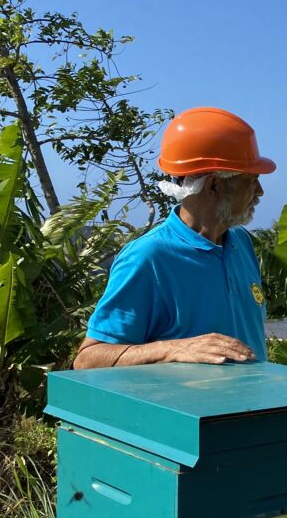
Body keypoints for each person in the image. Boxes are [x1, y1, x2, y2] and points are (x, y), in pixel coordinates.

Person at [74, 107, 274, 369]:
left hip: (250, 397)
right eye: (251, 180)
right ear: (214, 185)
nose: (260, 191)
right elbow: (87, 359)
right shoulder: (149, 257)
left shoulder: (241, 242)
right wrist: (173, 348)